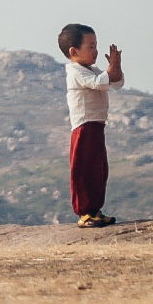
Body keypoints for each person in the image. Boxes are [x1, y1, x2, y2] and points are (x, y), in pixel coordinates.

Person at [58, 23, 124, 228]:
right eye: (91, 47)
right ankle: (84, 212)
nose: (96, 51)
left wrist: (116, 66)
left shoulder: (92, 70)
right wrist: (110, 68)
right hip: (84, 127)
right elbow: (100, 83)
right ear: (73, 51)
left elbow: (116, 82)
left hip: (96, 126)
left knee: (98, 169)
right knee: (83, 169)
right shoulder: (76, 71)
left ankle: (95, 209)